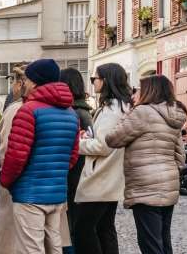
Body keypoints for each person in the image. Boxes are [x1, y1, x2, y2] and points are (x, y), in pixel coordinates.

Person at [0, 59, 80, 254]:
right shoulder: (71, 114)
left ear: (35, 82)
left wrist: (6, 181)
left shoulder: (28, 110)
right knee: (54, 246)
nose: (23, 83)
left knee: (31, 248)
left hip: (29, 193)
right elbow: (73, 155)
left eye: (26, 79)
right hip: (57, 192)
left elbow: (16, 156)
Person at [106, 75, 187, 254]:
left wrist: (128, 113)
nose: (136, 92)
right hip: (168, 183)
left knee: (150, 242)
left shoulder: (142, 112)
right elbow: (180, 157)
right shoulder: (175, 115)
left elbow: (113, 139)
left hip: (146, 185)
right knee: (163, 240)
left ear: (149, 90)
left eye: (139, 89)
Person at [71, 63, 132, 254]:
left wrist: (78, 144)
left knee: (83, 230)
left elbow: (102, 146)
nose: (92, 83)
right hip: (109, 177)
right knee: (105, 228)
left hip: (100, 177)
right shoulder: (121, 107)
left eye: (94, 79)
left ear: (105, 81)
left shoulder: (111, 110)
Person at [0, 65, 26, 254]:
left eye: (12, 82)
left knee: (5, 233)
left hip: (12, 181)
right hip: (39, 185)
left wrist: (1, 177)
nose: (11, 87)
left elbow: (6, 149)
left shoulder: (15, 110)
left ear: (19, 84)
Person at [60, 68, 94, 254]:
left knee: (70, 224)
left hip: (75, 174)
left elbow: (87, 143)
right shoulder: (83, 110)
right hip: (79, 174)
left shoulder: (77, 112)